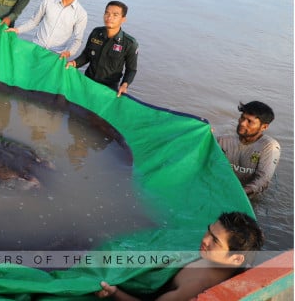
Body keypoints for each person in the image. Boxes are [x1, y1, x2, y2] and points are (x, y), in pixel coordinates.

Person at [96, 212, 264, 301]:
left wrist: (114, 292)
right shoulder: (215, 258)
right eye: (209, 230)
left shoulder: (194, 289)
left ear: (236, 258)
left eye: (215, 240)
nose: (204, 239)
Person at [7, 0, 87, 59]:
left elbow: (78, 39)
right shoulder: (48, 0)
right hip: (36, 49)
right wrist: (17, 30)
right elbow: (34, 21)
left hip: (55, 56)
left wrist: (68, 53)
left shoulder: (81, 14)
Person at [65, 1, 137, 97]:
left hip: (108, 91)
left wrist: (124, 84)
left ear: (123, 19)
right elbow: (86, 55)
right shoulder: (96, 32)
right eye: (107, 13)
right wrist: (74, 63)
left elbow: (131, 69)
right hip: (87, 83)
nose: (109, 17)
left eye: (115, 15)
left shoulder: (129, 43)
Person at [216, 101, 280, 197]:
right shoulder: (222, 140)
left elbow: (262, 180)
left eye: (249, 121)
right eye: (242, 117)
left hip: (246, 194)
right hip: (224, 189)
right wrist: (205, 139)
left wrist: (239, 193)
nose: (242, 123)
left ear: (264, 127)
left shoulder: (269, 146)